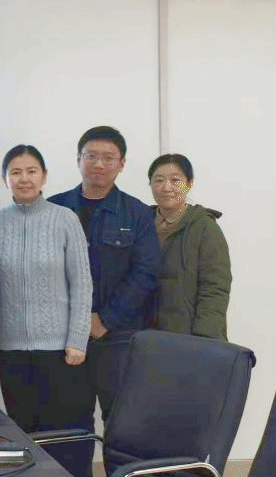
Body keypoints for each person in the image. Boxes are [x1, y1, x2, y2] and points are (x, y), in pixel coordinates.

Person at [0, 145, 95, 477]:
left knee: (66, 433)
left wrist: (78, 339)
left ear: (44, 176)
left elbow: (82, 282)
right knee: (24, 431)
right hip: (11, 349)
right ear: (5, 179)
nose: (24, 178)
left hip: (61, 349)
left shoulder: (65, 219)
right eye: (15, 172)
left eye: (31, 171)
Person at [48, 125, 159, 420]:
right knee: (68, 422)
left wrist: (104, 319)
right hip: (63, 335)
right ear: (78, 159)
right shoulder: (53, 208)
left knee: (122, 421)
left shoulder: (137, 213)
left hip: (119, 337)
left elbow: (145, 273)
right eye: (91, 156)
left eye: (108, 158)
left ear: (121, 164)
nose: (98, 164)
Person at [147, 153, 232, 340]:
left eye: (175, 180)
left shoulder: (204, 227)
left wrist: (205, 337)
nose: (166, 187)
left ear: (189, 184)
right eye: (158, 180)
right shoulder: (141, 223)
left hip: (190, 336)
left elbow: (215, 287)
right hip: (145, 336)